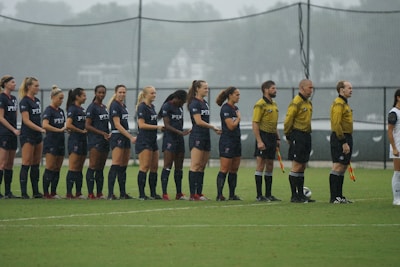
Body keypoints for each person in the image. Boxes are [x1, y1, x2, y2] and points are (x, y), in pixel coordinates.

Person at [187, 80, 221, 201]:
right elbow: (198, 121)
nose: (207, 90)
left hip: (206, 136)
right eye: (205, 88)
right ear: (197, 89)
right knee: (195, 165)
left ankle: (199, 193)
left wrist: (212, 129)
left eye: (207, 88)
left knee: (202, 166)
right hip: (197, 136)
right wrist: (213, 127)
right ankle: (192, 194)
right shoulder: (194, 103)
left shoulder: (205, 103)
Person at [283, 79, 315, 203]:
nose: (311, 90)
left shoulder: (308, 103)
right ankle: (294, 195)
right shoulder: (296, 102)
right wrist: (288, 135)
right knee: (296, 165)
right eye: (309, 87)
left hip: (306, 135)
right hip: (298, 134)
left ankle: (301, 194)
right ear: (302, 88)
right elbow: (288, 120)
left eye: (312, 88)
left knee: (302, 165)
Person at [252, 80, 281, 202]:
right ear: (266, 90)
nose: (275, 90)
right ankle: (259, 195)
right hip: (263, 136)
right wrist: (259, 141)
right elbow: (255, 123)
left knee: (270, 165)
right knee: (261, 165)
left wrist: (277, 137)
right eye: (273, 88)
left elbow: (274, 123)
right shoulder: (260, 104)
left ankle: (268, 194)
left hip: (272, 137)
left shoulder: (274, 104)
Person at [159, 90, 191, 201]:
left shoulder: (180, 108)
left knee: (179, 167)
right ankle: (164, 193)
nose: (183, 104)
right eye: (182, 101)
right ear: (177, 98)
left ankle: (179, 193)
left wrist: (181, 133)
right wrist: (180, 132)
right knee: (167, 165)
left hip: (179, 139)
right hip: (170, 139)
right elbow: (167, 125)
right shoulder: (167, 106)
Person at [107, 84, 136, 200]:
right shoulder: (114, 105)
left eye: (124, 92)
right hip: (118, 136)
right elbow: (117, 125)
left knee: (123, 166)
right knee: (116, 164)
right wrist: (130, 136)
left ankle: (123, 193)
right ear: (115, 92)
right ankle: (110, 194)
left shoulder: (123, 105)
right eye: (120, 92)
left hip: (124, 136)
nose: (122, 94)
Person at [18, 77, 46, 199]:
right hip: (28, 135)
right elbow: (26, 120)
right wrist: (39, 128)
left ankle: (35, 191)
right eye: (36, 85)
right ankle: (24, 192)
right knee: (26, 162)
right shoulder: (24, 101)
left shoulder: (37, 101)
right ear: (29, 87)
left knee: (36, 163)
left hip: (37, 136)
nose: (38, 87)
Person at [136, 86, 164, 200]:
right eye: (152, 93)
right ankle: (142, 194)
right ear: (146, 94)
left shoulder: (152, 107)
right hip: (144, 140)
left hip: (152, 140)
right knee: (144, 166)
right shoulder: (142, 107)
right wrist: (158, 127)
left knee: (154, 167)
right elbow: (141, 125)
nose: (154, 95)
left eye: (155, 93)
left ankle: (153, 192)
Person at [329, 80, 354, 204]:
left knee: (343, 166)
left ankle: (339, 196)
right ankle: (334, 197)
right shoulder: (339, 103)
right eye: (349, 88)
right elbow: (336, 123)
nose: (351, 90)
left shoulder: (345, 103)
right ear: (341, 90)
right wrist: (343, 141)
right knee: (337, 166)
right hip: (340, 138)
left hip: (347, 137)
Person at [215, 86, 242, 201]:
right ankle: (219, 194)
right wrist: (238, 119)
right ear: (230, 95)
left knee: (234, 169)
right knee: (224, 168)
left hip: (236, 141)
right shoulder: (226, 108)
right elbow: (231, 126)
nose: (238, 97)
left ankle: (232, 194)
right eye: (236, 94)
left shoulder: (235, 108)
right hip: (227, 141)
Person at [85, 85, 110, 199]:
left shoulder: (104, 107)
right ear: (95, 93)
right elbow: (87, 125)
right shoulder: (92, 107)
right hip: (95, 140)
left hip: (105, 140)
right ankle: (91, 193)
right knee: (93, 166)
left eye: (103, 93)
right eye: (99, 92)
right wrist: (101, 133)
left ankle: (99, 193)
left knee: (101, 167)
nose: (101, 95)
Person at [42, 85, 66, 199]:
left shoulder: (61, 111)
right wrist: (59, 130)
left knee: (57, 167)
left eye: (62, 99)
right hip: (51, 141)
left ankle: (53, 192)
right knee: (50, 166)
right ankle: (46, 193)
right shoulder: (49, 110)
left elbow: (63, 125)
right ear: (53, 97)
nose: (61, 101)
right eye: (59, 98)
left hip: (60, 141)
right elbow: (45, 125)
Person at [65, 87, 87, 199]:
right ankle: (69, 193)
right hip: (75, 140)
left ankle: (78, 192)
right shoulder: (72, 109)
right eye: (83, 95)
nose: (85, 97)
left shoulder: (82, 109)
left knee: (79, 167)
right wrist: (80, 131)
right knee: (73, 167)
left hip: (83, 140)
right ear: (77, 96)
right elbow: (68, 125)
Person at [0, 75, 20, 199]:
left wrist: (15, 129)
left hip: (13, 134)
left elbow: (15, 115)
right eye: (12, 82)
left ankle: (8, 192)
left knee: (10, 164)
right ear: (5, 84)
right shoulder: (2, 98)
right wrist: (12, 129)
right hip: (5, 133)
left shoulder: (13, 98)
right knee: (2, 163)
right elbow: (1, 117)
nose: (14, 84)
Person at [387, 88, 400, 206]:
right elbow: (390, 131)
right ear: (398, 98)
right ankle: (396, 198)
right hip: (397, 147)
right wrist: (394, 148)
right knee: (398, 173)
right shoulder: (394, 113)